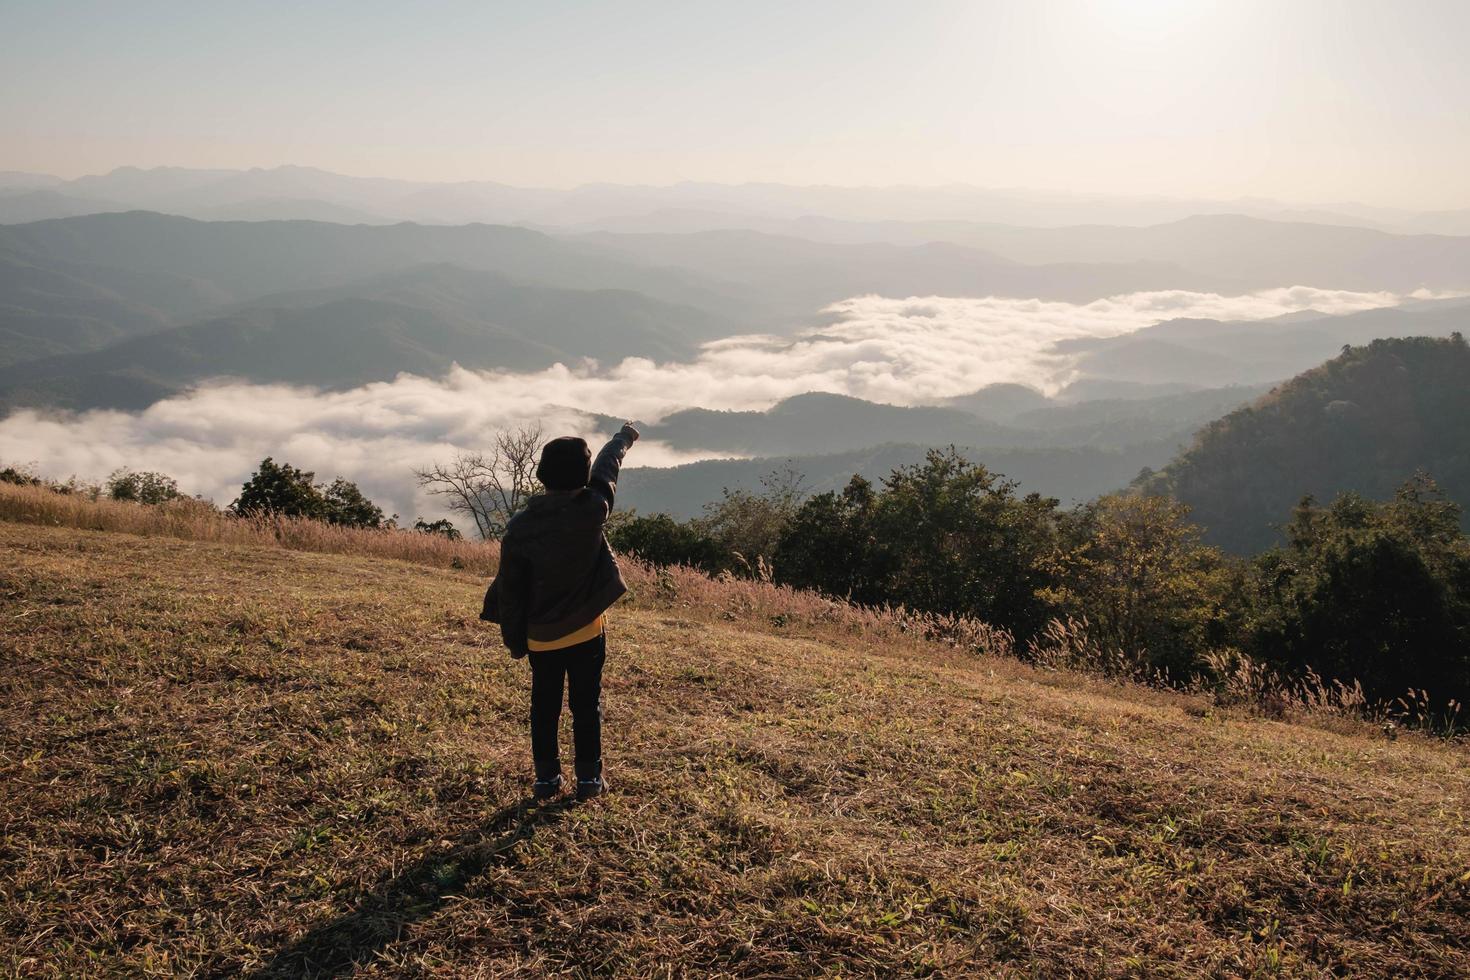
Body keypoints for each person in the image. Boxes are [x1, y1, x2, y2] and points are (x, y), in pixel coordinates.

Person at [481, 422, 639, 803]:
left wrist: (516, 642)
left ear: (540, 475)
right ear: (582, 478)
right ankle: (589, 779)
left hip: (542, 637)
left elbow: (511, 591)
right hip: (587, 631)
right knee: (587, 704)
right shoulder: (592, 510)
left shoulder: (520, 528)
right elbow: (607, 470)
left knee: (544, 707)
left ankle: (546, 779)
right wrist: (623, 438)